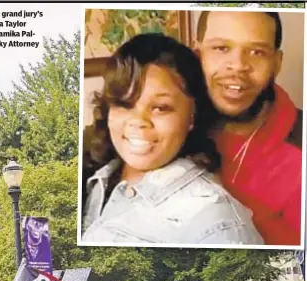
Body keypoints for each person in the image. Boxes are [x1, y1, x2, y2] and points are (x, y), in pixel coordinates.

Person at [81, 33, 262, 246]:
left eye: (160, 108)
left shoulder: (217, 224)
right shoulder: (98, 176)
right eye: (124, 104)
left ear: (192, 115)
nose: (138, 121)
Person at [195, 11, 302, 246]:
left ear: (276, 63)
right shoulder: (168, 127)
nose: (238, 66)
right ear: (198, 53)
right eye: (221, 48)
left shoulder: (300, 148)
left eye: (257, 52)